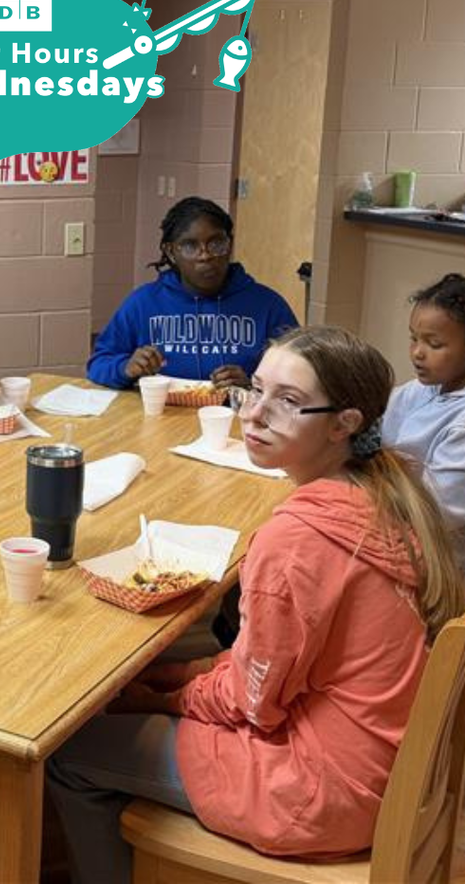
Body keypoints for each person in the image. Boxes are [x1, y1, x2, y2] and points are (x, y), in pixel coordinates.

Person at [48, 326, 465, 883]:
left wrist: (165, 697)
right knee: (167, 678)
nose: (255, 413)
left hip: (317, 793)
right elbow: (273, 665)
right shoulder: (379, 497)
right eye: (256, 390)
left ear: (346, 424)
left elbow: (254, 704)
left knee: (71, 749)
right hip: (376, 767)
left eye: (288, 403)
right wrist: (179, 678)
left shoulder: (296, 539)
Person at [86, 196, 298, 390]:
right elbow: (98, 364)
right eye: (190, 246)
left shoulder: (267, 305)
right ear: (171, 252)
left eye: (216, 244)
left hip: (236, 421)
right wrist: (126, 368)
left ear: (229, 244)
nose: (205, 256)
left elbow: (300, 374)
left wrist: (254, 384)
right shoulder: (143, 303)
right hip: (160, 420)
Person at [382, 273, 465, 572]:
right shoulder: (424, 388)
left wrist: (376, 472)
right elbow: (372, 425)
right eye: (414, 338)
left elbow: (434, 510)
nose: (417, 352)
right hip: (395, 520)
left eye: (434, 343)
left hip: (441, 561)